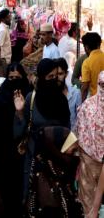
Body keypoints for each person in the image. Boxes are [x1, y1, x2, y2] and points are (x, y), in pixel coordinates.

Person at [14, 58, 71, 204]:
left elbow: (67, 131)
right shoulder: (31, 99)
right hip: (35, 160)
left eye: (55, 76)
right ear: (41, 77)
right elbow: (19, 132)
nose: (53, 80)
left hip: (57, 161)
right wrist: (20, 113)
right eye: (49, 77)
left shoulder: (62, 101)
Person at [0, 62, 30, 218]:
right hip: (3, 155)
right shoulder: (1, 97)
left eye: (17, 78)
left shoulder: (29, 96)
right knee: (4, 193)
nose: (14, 81)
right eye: (11, 78)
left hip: (22, 155)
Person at [26, 126, 82, 217]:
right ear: (59, 146)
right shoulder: (44, 178)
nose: (76, 156)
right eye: (73, 151)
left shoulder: (58, 171)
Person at [75, 71, 104, 216]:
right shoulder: (88, 106)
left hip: (94, 166)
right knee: (89, 208)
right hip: (89, 166)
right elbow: (79, 132)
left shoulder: (88, 105)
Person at [56, 58, 82, 129]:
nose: (57, 78)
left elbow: (80, 119)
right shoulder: (50, 95)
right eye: (55, 74)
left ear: (66, 74)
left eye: (60, 74)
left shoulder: (76, 93)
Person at [81, 32, 104, 101]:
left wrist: (82, 104)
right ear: (98, 45)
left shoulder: (87, 63)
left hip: (95, 101)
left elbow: (85, 88)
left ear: (87, 47)